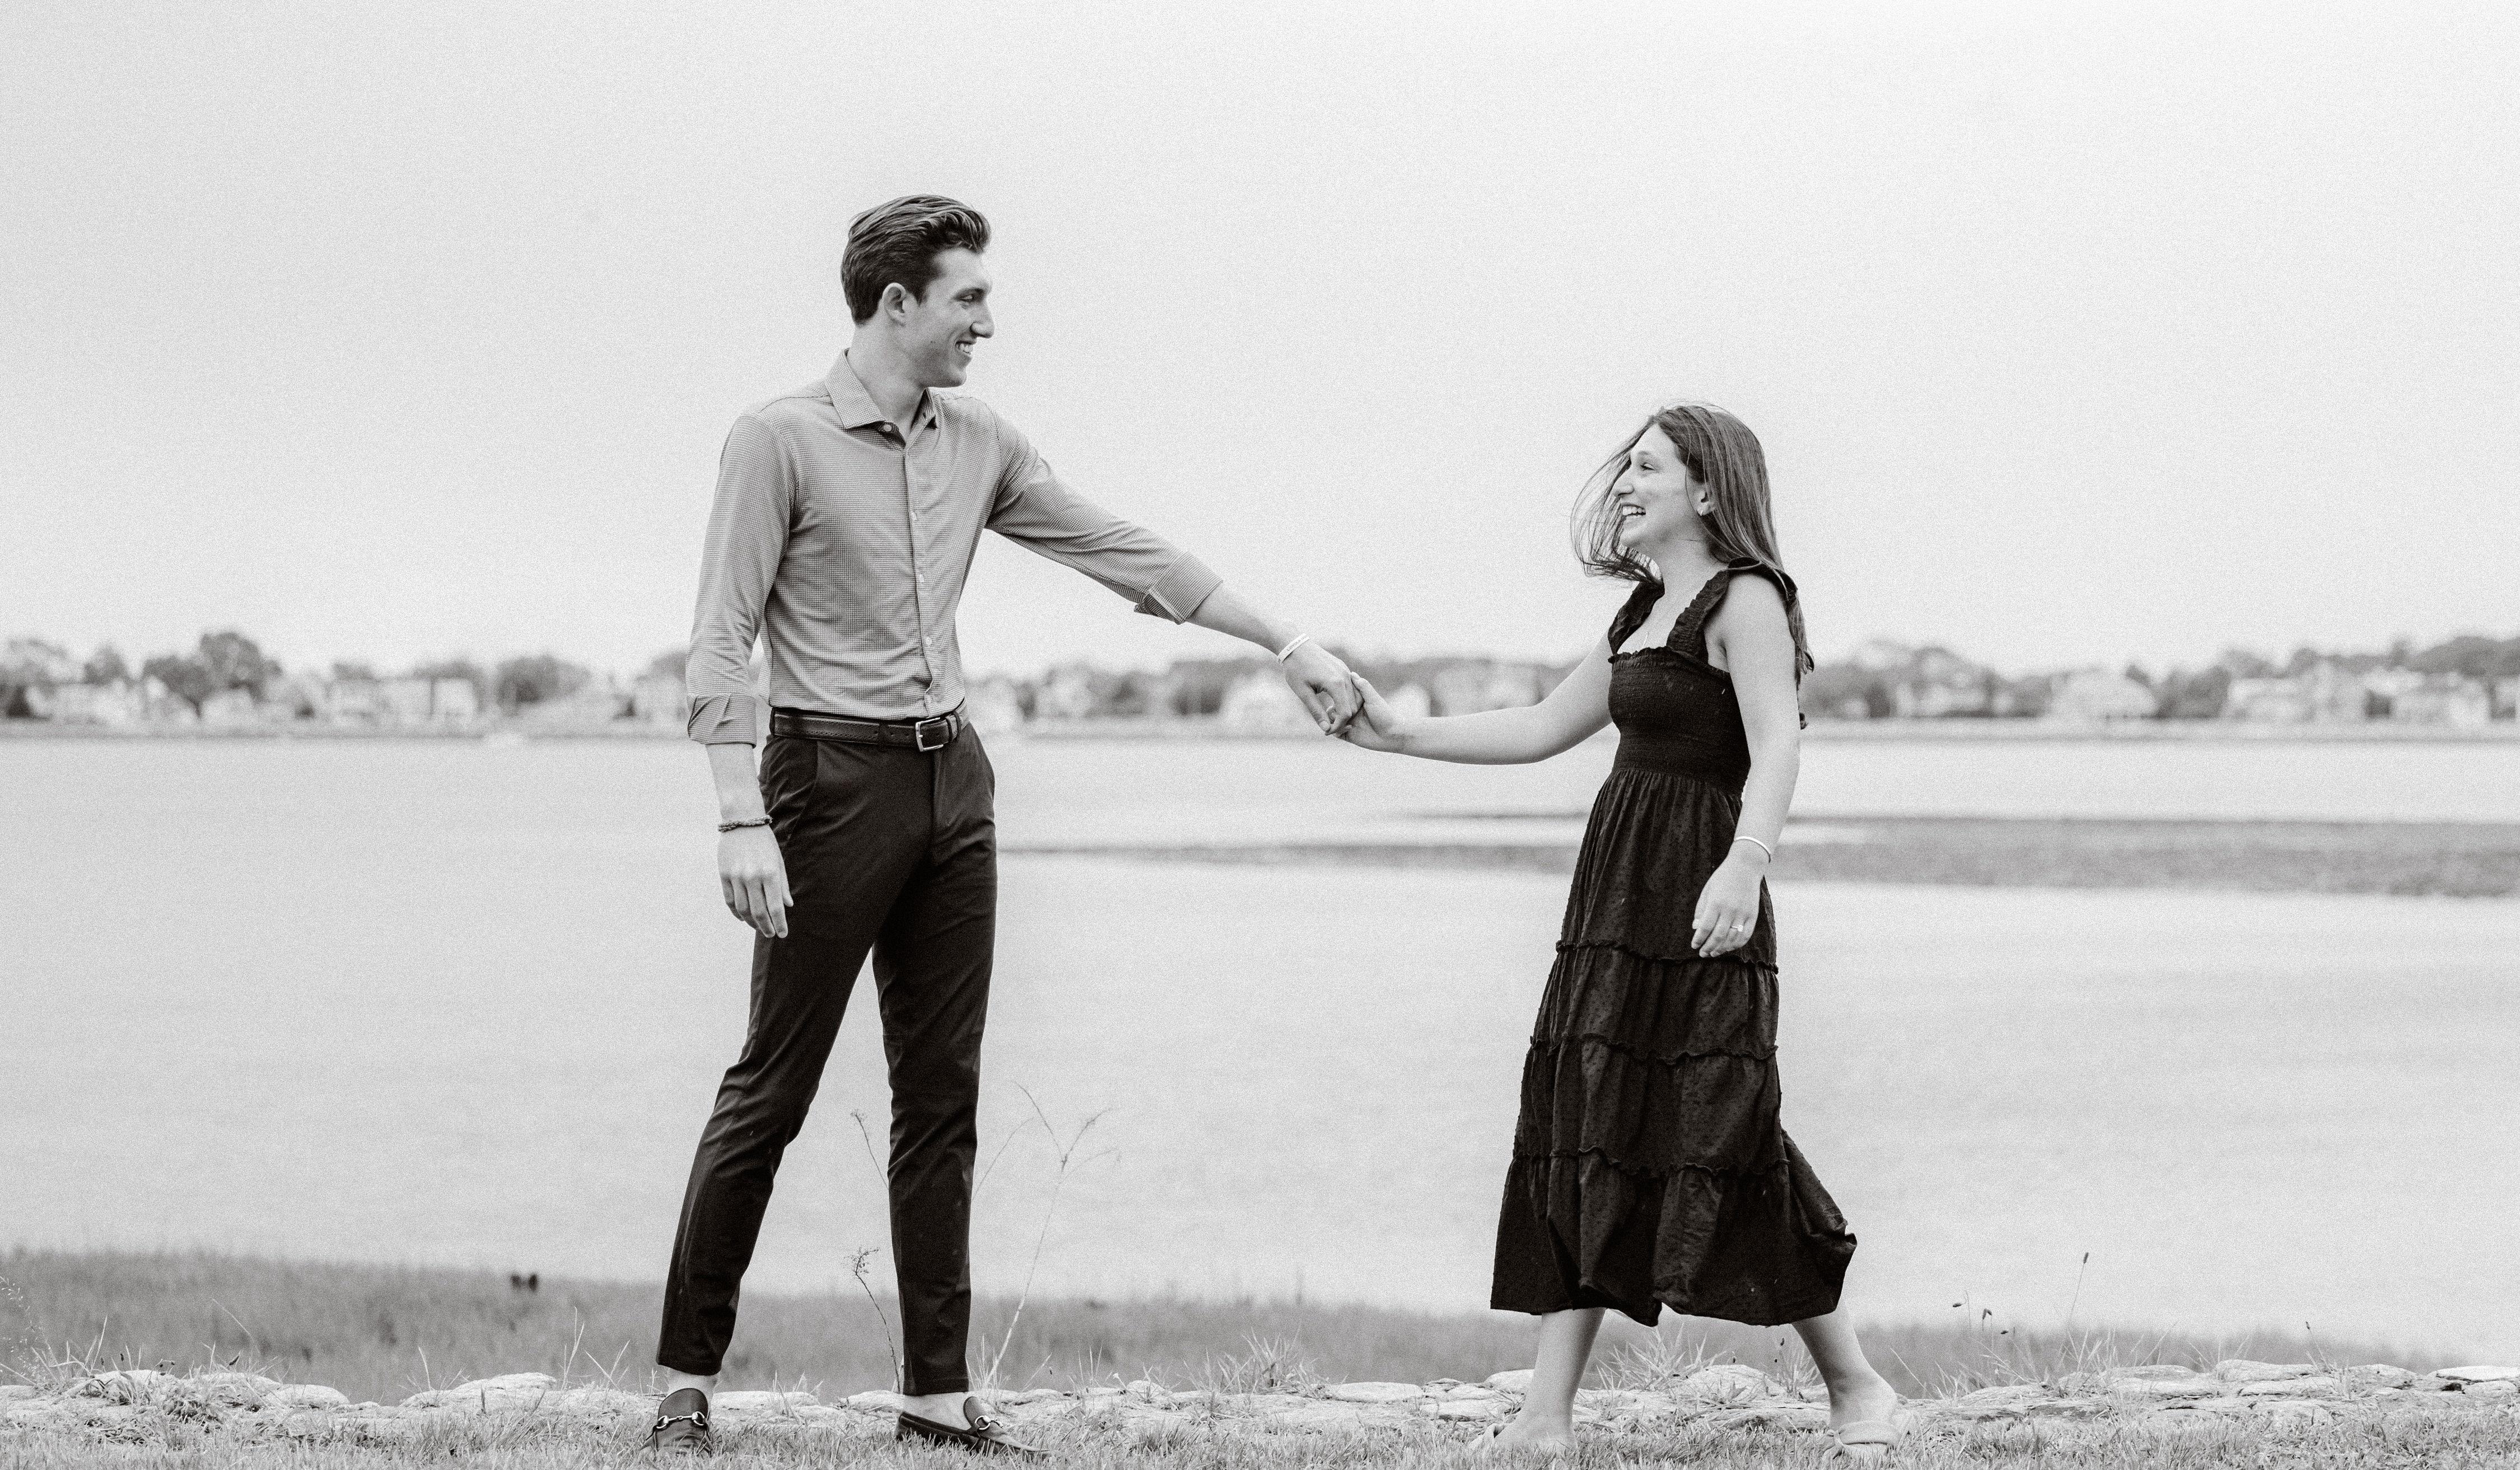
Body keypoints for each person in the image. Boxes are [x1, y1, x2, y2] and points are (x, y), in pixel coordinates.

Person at [646, 195, 1360, 1458]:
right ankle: (682, 1383)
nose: (990, 321)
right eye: (969, 298)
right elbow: (719, 636)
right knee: (773, 1089)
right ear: (898, 303)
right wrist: (736, 810)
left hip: (952, 783)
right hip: (824, 784)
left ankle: (935, 1395)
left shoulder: (980, 441)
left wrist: (1284, 638)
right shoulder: (777, 439)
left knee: (942, 1097)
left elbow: (1121, 551)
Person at [1339, 403, 1903, 1463]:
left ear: (1708, 486)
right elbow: (1542, 726)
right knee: (1588, 1117)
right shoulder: (1644, 610)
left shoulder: (1748, 598)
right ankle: (1545, 1419)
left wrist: (1746, 864)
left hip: (1704, 897)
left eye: (1648, 466)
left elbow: (1779, 741)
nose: (1625, 483)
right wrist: (1396, 733)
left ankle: (1856, 1381)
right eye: (1626, 467)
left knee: (1725, 1128)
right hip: (1614, 902)